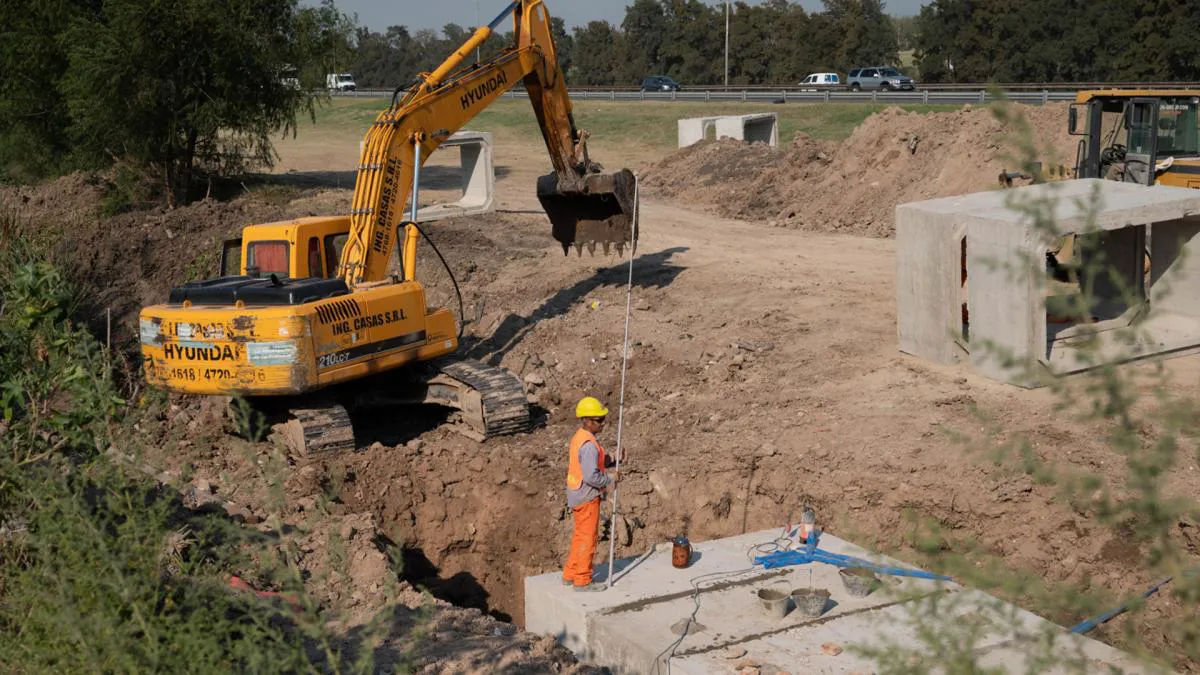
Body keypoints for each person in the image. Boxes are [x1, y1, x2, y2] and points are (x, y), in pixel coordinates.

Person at [562, 396, 625, 591]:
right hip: (586, 497)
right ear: (587, 421)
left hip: (577, 494)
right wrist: (611, 479)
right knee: (588, 538)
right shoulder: (589, 445)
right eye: (599, 420)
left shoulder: (580, 437)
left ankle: (570, 573)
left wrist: (613, 459)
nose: (603, 423)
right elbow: (591, 476)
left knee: (579, 536)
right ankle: (582, 580)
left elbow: (593, 462)